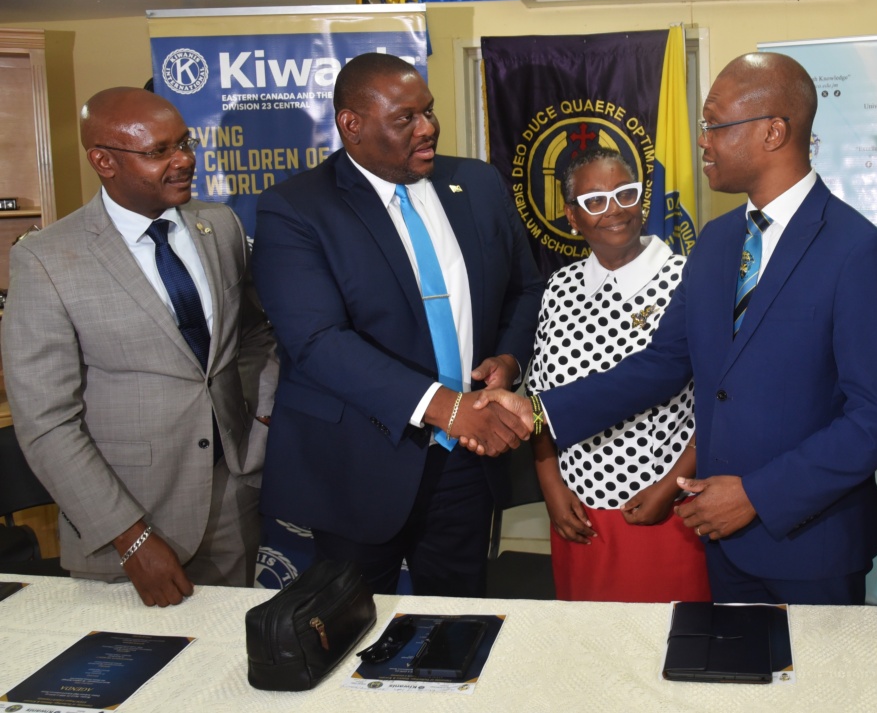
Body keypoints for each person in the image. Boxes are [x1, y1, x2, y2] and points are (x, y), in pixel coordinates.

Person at [478, 53, 877, 604]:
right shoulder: (716, 241)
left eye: (714, 125)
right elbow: (663, 364)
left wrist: (759, 495)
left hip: (810, 547)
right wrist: (538, 411)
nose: (702, 142)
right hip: (719, 545)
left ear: (773, 131)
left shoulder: (858, 253)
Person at [252, 53, 543, 597]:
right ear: (351, 125)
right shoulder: (295, 209)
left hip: (466, 462)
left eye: (428, 112)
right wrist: (446, 408)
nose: (428, 127)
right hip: (357, 462)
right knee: (353, 630)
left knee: (459, 625)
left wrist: (509, 358)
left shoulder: (476, 184)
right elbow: (316, 342)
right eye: (406, 118)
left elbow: (524, 288)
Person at [3, 87, 277, 606]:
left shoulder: (219, 225)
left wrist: (260, 420)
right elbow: (46, 422)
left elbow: (255, 335)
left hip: (232, 500)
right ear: (103, 160)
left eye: (184, 143)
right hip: (128, 519)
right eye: (159, 152)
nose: (184, 161)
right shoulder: (45, 260)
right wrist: (131, 538)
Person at [527, 147, 709, 602]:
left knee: (666, 654)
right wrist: (550, 484)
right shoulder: (558, 288)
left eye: (625, 194)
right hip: (577, 514)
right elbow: (539, 400)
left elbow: (719, 402)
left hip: (664, 510)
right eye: (594, 201)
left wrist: (671, 488)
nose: (614, 210)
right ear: (572, 216)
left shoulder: (689, 280)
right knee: (587, 656)